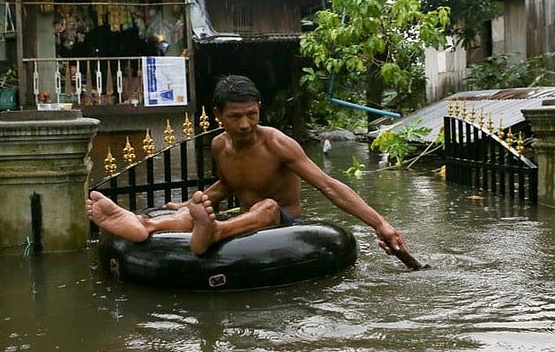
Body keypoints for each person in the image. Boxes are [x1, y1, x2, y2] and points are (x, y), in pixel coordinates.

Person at [86, 74, 408, 257]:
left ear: (259, 109)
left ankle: (212, 233)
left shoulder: (277, 144)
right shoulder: (218, 145)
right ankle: (144, 225)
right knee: (192, 213)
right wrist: (185, 207)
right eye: (235, 116)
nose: (244, 124)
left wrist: (379, 223)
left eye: (251, 114)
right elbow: (229, 185)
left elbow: (327, 185)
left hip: (283, 224)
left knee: (266, 206)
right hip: (246, 220)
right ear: (218, 115)